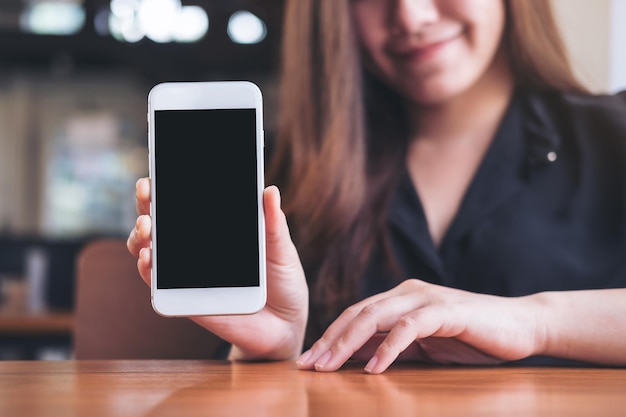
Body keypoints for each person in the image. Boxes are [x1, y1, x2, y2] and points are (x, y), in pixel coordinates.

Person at [127, 0, 626, 374]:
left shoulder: (613, 136)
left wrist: (534, 321)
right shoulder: (278, 171)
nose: (409, 15)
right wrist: (271, 348)